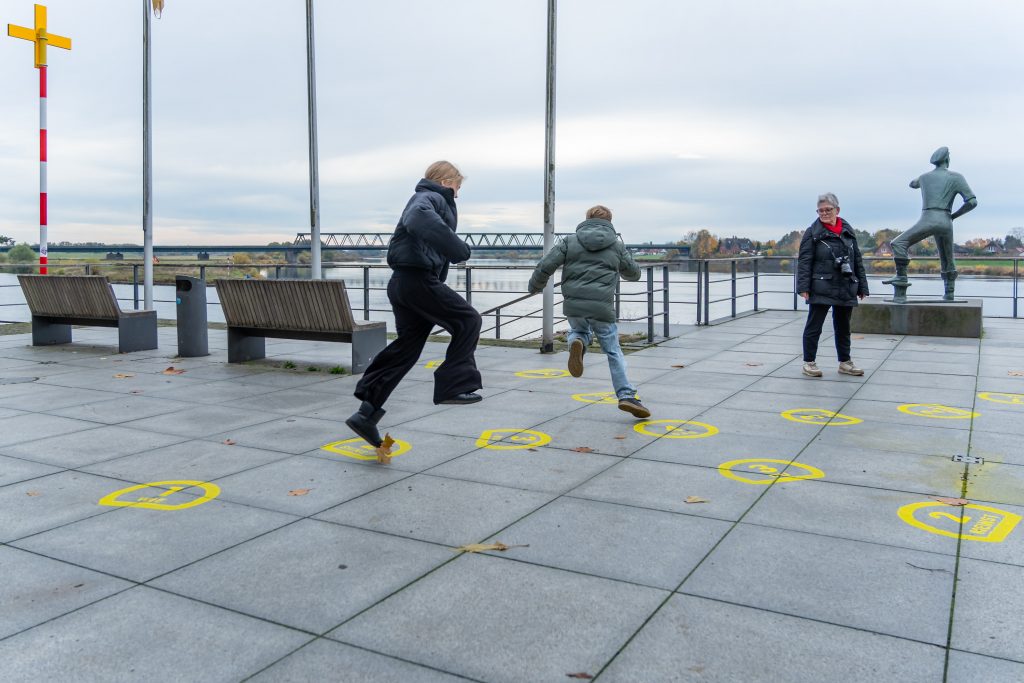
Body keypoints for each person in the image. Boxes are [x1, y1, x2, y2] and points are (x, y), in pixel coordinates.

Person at [346, 161, 483, 448]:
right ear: (447, 181)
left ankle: (366, 414)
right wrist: (457, 248)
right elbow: (418, 218)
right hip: (417, 280)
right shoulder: (430, 197)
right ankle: (453, 386)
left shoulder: (426, 197)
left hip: (404, 282)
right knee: (468, 320)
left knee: (406, 348)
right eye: (458, 187)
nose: (458, 194)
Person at [528, 205, 650, 418]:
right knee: (613, 351)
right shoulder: (616, 245)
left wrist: (535, 287)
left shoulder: (569, 241)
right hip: (602, 307)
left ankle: (578, 343)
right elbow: (634, 274)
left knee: (578, 330)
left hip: (574, 305)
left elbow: (545, 265)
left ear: (587, 219)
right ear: (609, 222)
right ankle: (626, 395)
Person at [883, 146, 977, 300]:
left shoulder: (925, 177)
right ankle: (949, 293)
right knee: (947, 257)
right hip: (946, 220)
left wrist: (923, 179)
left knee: (898, 243)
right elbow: (972, 202)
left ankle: (901, 277)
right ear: (947, 159)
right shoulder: (957, 177)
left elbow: (912, 184)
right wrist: (953, 216)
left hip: (928, 217)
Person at [796, 193, 869, 378]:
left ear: (837, 210)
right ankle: (809, 363)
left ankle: (845, 362)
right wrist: (803, 287)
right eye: (820, 211)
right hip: (821, 285)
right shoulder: (812, 233)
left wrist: (862, 286)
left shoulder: (848, 232)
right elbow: (805, 261)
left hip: (845, 285)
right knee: (814, 326)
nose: (824, 213)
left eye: (828, 210)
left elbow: (857, 260)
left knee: (843, 326)